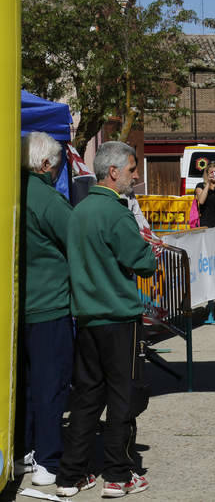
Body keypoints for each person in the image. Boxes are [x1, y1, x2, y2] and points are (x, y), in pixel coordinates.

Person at [56, 141, 156, 498]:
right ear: (113, 172)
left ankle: (72, 475)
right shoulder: (116, 212)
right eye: (132, 169)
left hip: (86, 316)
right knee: (123, 395)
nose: (135, 175)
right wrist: (148, 250)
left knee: (86, 397)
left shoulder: (79, 211)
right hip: (118, 316)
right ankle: (118, 474)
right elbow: (142, 260)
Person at [18, 132, 74, 487]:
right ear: (44, 164)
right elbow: (77, 238)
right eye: (55, 166)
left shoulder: (15, 192)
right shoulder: (46, 199)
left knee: (23, 385)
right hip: (49, 305)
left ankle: (23, 449)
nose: (57, 172)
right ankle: (48, 460)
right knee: (50, 386)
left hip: (19, 308)